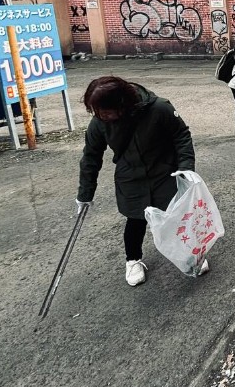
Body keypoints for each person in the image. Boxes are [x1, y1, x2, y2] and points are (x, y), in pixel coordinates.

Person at [76, 76, 197, 286]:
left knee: (177, 216)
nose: (101, 115)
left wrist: (186, 168)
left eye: (105, 110)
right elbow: (91, 157)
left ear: (122, 103)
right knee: (135, 220)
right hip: (130, 177)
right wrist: (85, 194)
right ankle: (133, 260)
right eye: (96, 111)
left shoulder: (159, 108)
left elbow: (181, 135)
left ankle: (190, 253)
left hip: (165, 172)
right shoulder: (99, 123)